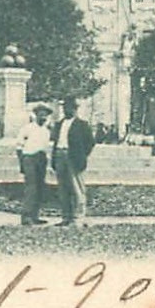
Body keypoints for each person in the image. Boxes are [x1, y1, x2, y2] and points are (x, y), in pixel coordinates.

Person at [50, 97, 94, 227]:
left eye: (69, 107)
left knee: (77, 188)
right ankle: (66, 217)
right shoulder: (59, 124)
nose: (66, 110)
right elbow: (55, 141)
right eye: (65, 107)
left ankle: (78, 217)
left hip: (73, 157)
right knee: (63, 189)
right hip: (60, 155)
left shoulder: (82, 125)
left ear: (75, 109)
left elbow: (90, 143)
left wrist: (81, 155)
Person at [14, 104, 53, 226]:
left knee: (40, 187)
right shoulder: (27, 128)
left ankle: (35, 215)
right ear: (35, 115)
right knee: (31, 187)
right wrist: (22, 162)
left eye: (45, 115)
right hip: (29, 158)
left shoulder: (46, 131)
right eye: (41, 115)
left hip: (41, 159)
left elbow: (45, 147)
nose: (43, 117)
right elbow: (19, 146)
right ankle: (26, 216)